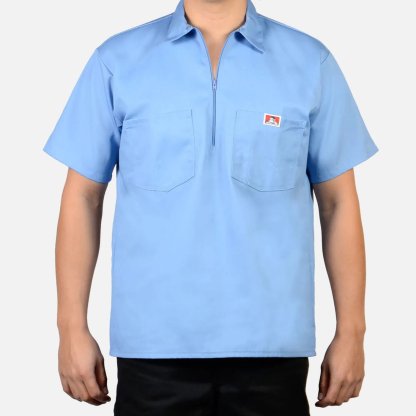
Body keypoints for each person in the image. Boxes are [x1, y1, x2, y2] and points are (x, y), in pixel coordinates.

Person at [42, 0, 379, 414]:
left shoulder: (310, 63)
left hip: (271, 349)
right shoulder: (117, 61)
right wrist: (70, 327)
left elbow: (338, 203)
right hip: (152, 349)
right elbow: (83, 196)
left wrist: (352, 332)